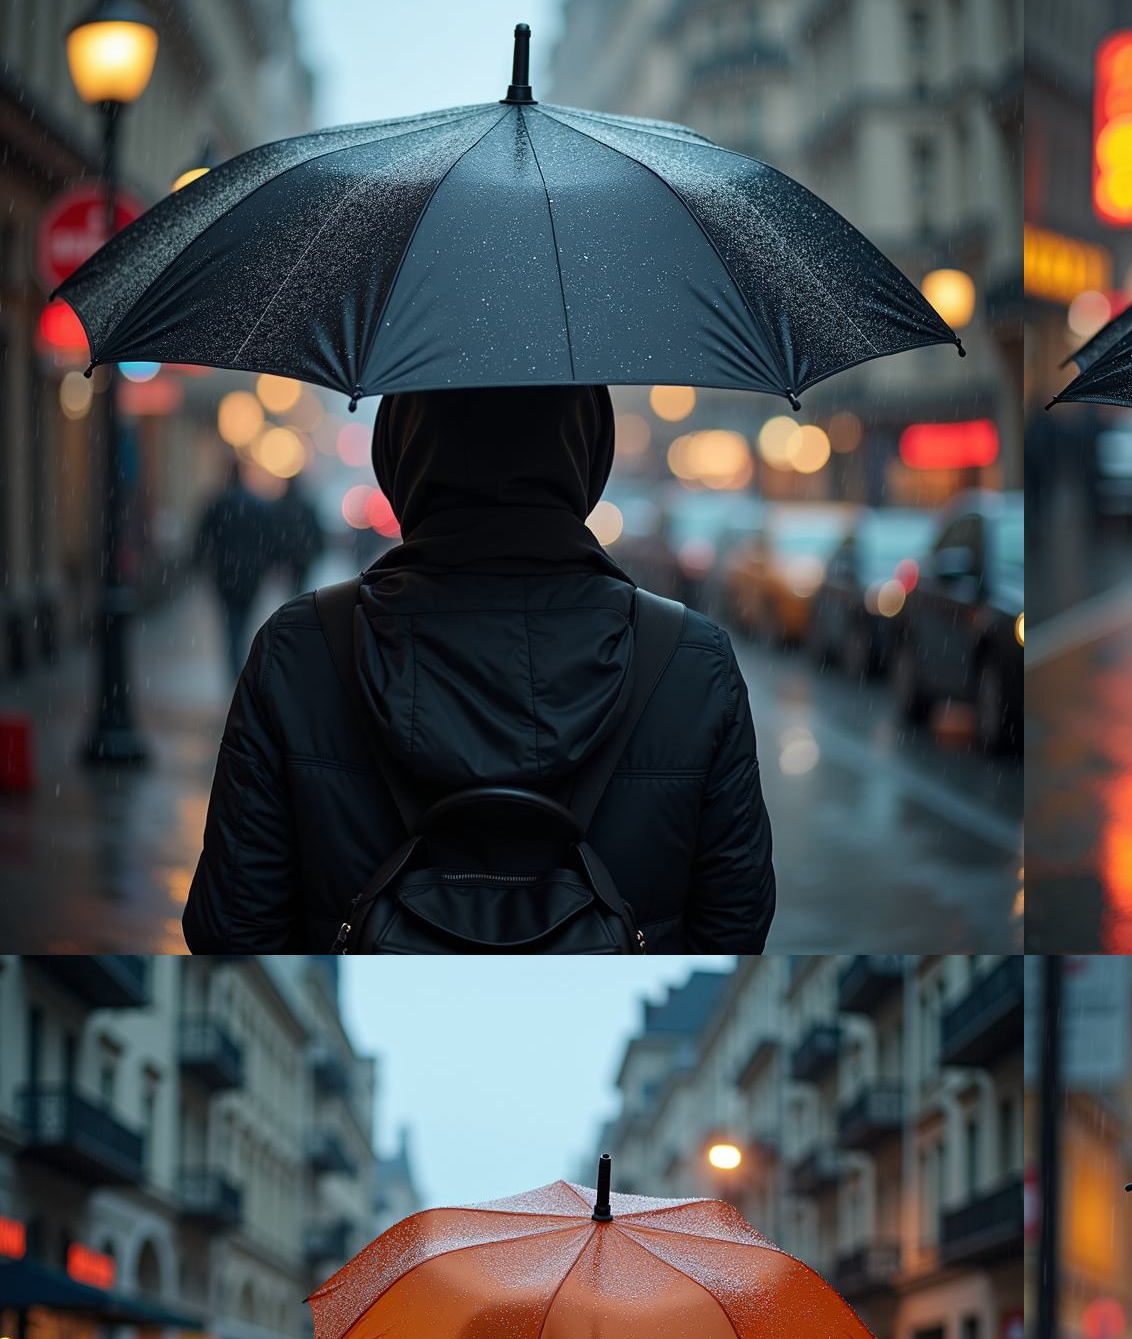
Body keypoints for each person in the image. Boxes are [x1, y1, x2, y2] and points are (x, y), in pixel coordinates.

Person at [182, 385, 776, 954]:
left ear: (399, 455)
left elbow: (233, 926)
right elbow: (736, 923)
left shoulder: (301, 650)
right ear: (589, 454)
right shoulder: (689, 660)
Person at [192, 457, 275, 672]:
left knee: (230, 621)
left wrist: (198, 563)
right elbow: (269, 540)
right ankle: (240, 662)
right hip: (251, 573)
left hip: (225, 572)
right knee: (245, 619)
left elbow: (203, 537)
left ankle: (234, 664)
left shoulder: (218, 502)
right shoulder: (257, 504)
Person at [266, 478, 325, 597]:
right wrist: (317, 550)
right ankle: (298, 603)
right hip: (304, 555)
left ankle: (293, 605)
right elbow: (315, 530)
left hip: (287, 556)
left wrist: (274, 556)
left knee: (289, 588)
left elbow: (273, 533)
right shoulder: (306, 505)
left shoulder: (279, 506)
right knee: (299, 587)